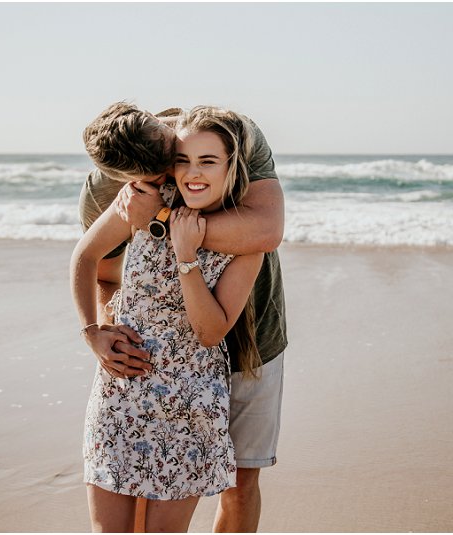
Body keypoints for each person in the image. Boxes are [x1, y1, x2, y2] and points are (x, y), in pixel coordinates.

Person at [78, 102, 286, 532]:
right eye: (169, 170)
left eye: (175, 161)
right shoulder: (113, 188)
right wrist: (97, 331)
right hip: (138, 378)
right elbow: (99, 268)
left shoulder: (235, 136)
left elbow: (265, 231)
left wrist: (161, 221)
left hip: (248, 343)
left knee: (241, 482)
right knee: (130, 506)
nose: (180, 176)